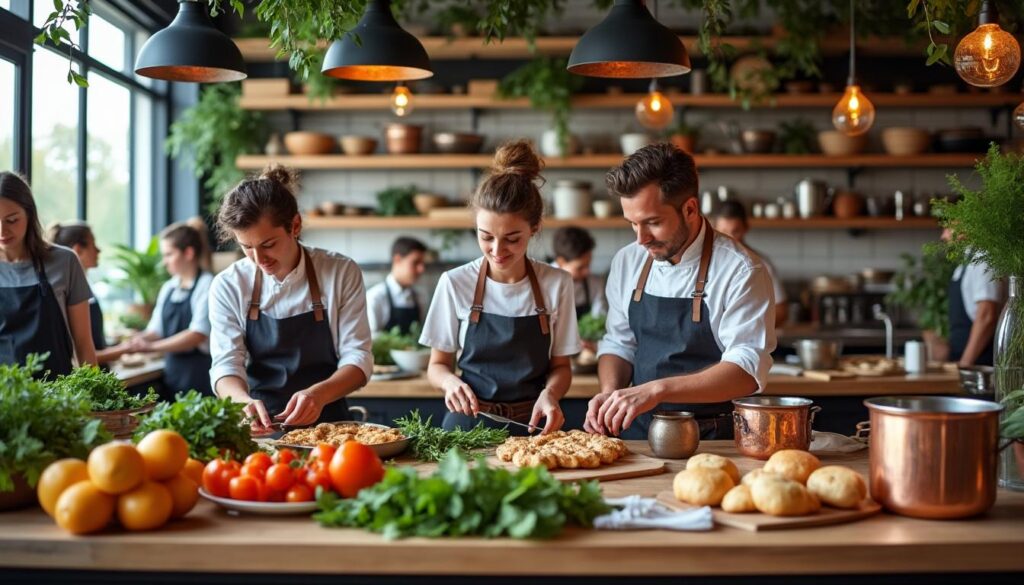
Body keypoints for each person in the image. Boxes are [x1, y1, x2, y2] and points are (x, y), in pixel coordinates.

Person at [584, 143, 776, 440]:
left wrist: (657, 390)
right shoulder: (628, 260)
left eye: (653, 223)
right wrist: (611, 397)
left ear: (690, 209)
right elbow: (619, 343)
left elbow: (746, 370)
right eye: (633, 224)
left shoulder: (740, 270)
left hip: (711, 439)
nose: (641, 239)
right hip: (636, 435)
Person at [419, 141, 581, 434]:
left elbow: (561, 367)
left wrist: (551, 394)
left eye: (512, 238)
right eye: (486, 237)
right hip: (466, 426)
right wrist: (450, 382)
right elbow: (437, 365)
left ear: (534, 228)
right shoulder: (455, 283)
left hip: (533, 425)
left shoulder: (557, 283)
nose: (497, 250)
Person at [209, 166, 372, 434]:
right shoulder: (229, 285)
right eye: (246, 247)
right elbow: (226, 363)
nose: (259, 260)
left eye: (268, 244)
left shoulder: (340, 272)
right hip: (261, 429)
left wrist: (318, 395)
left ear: (295, 226)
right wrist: (240, 402)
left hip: (331, 428)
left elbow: (359, 357)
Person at [0, 172, 96, 375]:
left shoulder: (65, 261)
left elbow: (83, 344)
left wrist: (94, 399)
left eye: (12, 220)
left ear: (29, 214)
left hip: (59, 397)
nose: (2, 230)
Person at [127, 221, 214, 399]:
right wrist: (139, 339)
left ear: (188, 253)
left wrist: (151, 347)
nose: (164, 262)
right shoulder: (169, 287)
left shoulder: (208, 284)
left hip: (199, 374)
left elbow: (197, 334)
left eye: (168, 255)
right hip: (173, 372)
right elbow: (156, 329)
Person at [713, 201, 789, 328]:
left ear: (745, 228)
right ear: (714, 229)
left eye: (735, 231)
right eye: (724, 232)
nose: (730, 239)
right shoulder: (706, 264)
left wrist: (749, 329)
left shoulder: (761, 264)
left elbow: (781, 311)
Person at [942, 228, 1005, 366]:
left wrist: (965, 363)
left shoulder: (983, 259)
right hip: (964, 363)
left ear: (965, 224)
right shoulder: (965, 264)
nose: (943, 235)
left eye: (947, 228)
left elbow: (987, 316)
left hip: (981, 367)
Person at [366, 236, 427, 335]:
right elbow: (370, 341)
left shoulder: (420, 298)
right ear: (397, 259)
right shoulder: (375, 297)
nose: (421, 269)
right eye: (415, 263)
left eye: (422, 264)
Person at [551, 226, 607, 319]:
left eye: (588, 265)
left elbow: (599, 317)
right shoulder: (544, 283)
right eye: (580, 267)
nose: (587, 272)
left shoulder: (594, 283)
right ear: (561, 262)